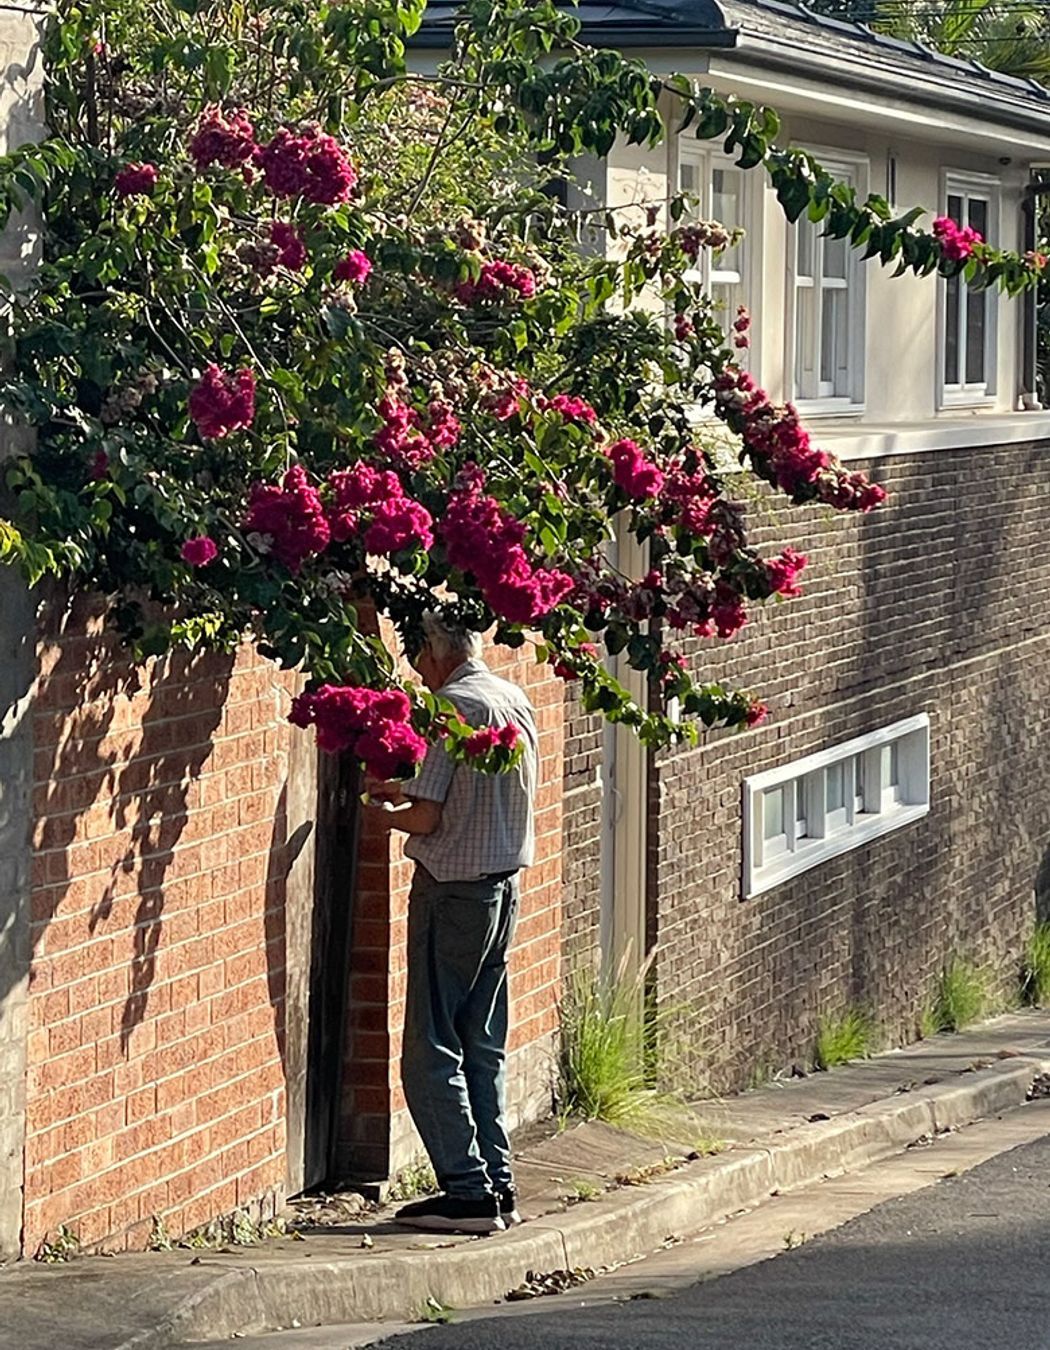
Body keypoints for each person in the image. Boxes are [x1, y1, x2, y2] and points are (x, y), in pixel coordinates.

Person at [364, 612, 539, 1235]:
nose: (415, 670)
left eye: (417, 657)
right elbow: (465, 790)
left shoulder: (448, 709)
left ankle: (466, 1193)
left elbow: (430, 819)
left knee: (430, 1047)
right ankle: (498, 1185)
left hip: (453, 892)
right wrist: (405, 791)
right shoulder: (510, 697)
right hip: (504, 889)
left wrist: (378, 814)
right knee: (481, 1043)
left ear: (436, 654)